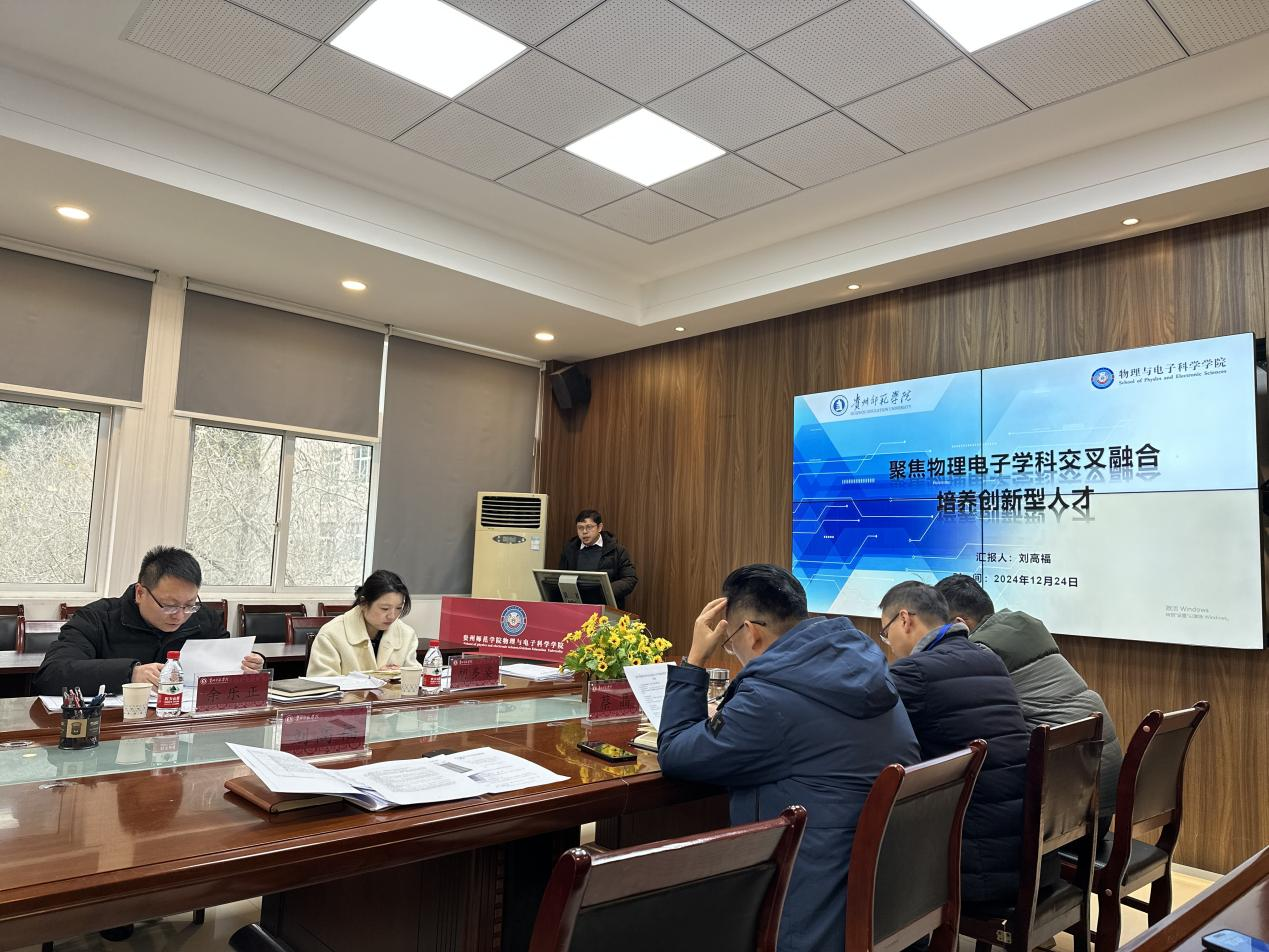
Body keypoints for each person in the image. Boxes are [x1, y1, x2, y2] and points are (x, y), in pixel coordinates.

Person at [658, 564, 920, 952]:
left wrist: (695, 660)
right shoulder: (866, 663)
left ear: (751, 632)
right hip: (891, 898)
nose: (732, 651)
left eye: (729, 643)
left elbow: (676, 753)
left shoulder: (770, 699)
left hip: (811, 912)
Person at [879, 581, 1030, 906]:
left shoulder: (914, 673)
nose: (888, 645)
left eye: (885, 633)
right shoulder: (989, 658)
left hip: (973, 863)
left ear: (904, 619)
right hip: (1024, 851)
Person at [934, 573, 1122, 832]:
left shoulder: (979, 651)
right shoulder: (1024, 627)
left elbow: (961, 726)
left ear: (959, 623)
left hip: (1060, 818)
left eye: (936, 629)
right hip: (1098, 805)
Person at [34, 546, 263, 695]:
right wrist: (130, 674)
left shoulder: (204, 619)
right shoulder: (97, 618)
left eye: (190, 604)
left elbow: (229, 661)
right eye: (169, 605)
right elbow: (52, 674)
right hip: (114, 730)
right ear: (140, 593)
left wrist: (250, 665)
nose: (180, 615)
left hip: (185, 728)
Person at [307, 570, 421, 677]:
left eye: (398, 608)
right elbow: (322, 683)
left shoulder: (406, 634)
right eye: (385, 608)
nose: (392, 616)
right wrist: (376, 676)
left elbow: (417, 678)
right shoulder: (331, 633)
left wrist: (401, 675)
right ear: (363, 603)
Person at [558, 508, 638, 608]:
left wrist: (607, 591)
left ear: (599, 527)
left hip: (606, 608)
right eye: (580, 528)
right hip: (576, 606)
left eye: (589, 527)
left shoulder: (617, 550)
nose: (584, 532)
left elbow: (630, 579)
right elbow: (560, 578)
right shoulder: (570, 549)